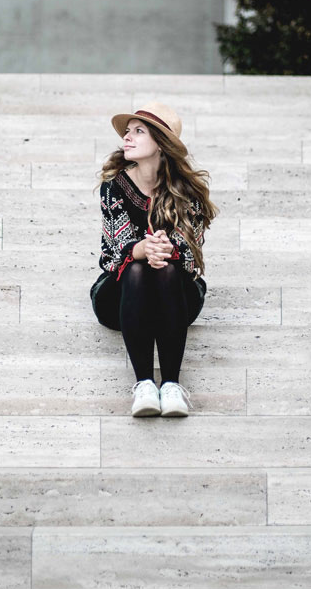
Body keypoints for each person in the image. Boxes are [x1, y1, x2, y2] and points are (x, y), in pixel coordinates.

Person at [90, 102, 218, 418]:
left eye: (138, 131)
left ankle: (172, 386)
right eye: (127, 132)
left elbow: (190, 257)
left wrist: (165, 250)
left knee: (167, 270)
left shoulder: (187, 191)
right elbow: (115, 251)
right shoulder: (114, 186)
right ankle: (145, 385)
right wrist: (143, 249)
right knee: (135, 268)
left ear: (160, 143)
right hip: (117, 296)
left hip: (175, 295)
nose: (126, 139)